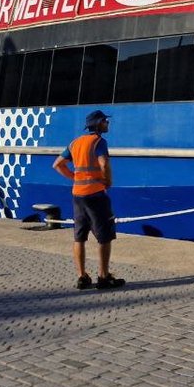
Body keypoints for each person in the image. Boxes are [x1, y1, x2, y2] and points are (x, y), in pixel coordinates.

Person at [52, 110, 126, 290]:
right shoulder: (99, 142)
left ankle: (82, 277)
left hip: (77, 195)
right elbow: (103, 164)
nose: (108, 124)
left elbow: (57, 164)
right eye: (106, 121)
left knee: (79, 237)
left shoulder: (75, 143)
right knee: (104, 237)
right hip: (96, 196)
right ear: (99, 123)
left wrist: (75, 177)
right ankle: (103, 277)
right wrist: (107, 180)